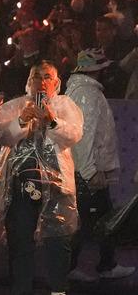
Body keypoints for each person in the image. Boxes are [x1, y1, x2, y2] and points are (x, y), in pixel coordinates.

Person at [0, 60, 83, 295]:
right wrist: (21, 121)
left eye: (47, 76)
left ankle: (58, 290)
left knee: (58, 243)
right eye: (36, 76)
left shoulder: (64, 104)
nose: (42, 80)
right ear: (29, 81)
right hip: (19, 186)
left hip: (57, 187)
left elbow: (74, 135)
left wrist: (52, 120)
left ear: (56, 82)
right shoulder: (16, 106)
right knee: (20, 246)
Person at [65, 49, 134, 282]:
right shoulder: (88, 94)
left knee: (103, 220)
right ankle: (71, 267)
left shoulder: (83, 91)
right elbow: (83, 136)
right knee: (86, 222)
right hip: (87, 172)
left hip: (88, 170)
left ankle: (105, 264)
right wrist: (89, 171)